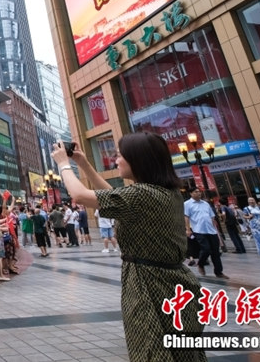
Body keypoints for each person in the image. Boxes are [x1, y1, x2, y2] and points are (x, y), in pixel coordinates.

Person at [52, 132, 206, 362]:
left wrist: (64, 164)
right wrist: (83, 164)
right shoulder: (165, 192)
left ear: (139, 160)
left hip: (149, 284)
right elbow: (112, 196)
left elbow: (80, 196)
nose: (116, 160)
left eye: (120, 155)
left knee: (151, 349)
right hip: (175, 282)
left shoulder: (142, 194)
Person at [185, 188, 229, 279]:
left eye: (199, 192)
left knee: (216, 252)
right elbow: (186, 217)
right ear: (191, 193)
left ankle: (219, 272)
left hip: (211, 230)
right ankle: (200, 264)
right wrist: (188, 229)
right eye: (196, 192)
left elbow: (212, 216)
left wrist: (215, 229)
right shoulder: (187, 204)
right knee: (206, 249)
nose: (198, 193)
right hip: (198, 230)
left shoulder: (206, 204)